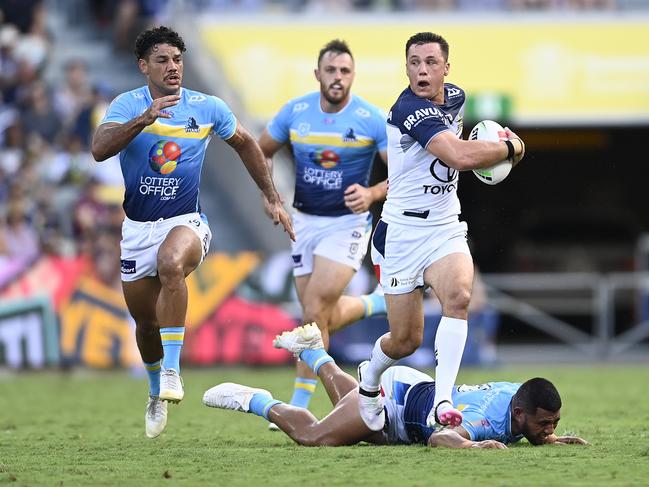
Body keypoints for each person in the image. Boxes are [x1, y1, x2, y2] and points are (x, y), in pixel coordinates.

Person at [91, 26, 294, 439]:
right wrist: (143, 118)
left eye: (178, 60)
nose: (173, 68)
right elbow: (99, 148)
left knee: (171, 264)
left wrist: (271, 195)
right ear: (143, 66)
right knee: (145, 326)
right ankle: (154, 392)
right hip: (137, 230)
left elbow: (246, 143)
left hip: (186, 223)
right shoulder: (126, 104)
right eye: (163, 60)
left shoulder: (207, 107)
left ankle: (172, 369)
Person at [357, 32, 526, 432]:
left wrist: (488, 146)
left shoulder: (456, 97)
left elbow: (464, 146)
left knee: (459, 296)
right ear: (406, 68)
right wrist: (511, 148)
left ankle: (443, 402)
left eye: (431, 62)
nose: (422, 70)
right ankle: (368, 378)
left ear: (446, 68)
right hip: (401, 232)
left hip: (445, 226)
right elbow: (460, 156)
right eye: (414, 62)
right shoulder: (408, 109)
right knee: (405, 341)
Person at [257, 39, 389, 418]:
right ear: (318, 74)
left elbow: (404, 174)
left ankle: (299, 405)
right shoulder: (295, 112)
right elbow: (261, 150)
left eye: (345, 71)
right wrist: (270, 196)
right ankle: (373, 304)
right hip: (304, 222)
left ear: (353, 76)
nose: (338, 77)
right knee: (317, 317)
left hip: (348, 225)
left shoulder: (370, 118)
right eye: (331, 70)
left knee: (314, 309)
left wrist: (373, 192)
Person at [203, 324, 588, 448]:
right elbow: (440, 440)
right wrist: (472, 444)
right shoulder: (487, 418)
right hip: (396, 404)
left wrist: (548, 437)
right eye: (545, 424)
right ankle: (255, 399)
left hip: (410, 388)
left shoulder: (520, 397)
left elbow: (531, 412)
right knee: (317, 436)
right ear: (519, 414)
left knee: (347, 407)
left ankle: (315, 354)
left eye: (553, 423)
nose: (549, 429)